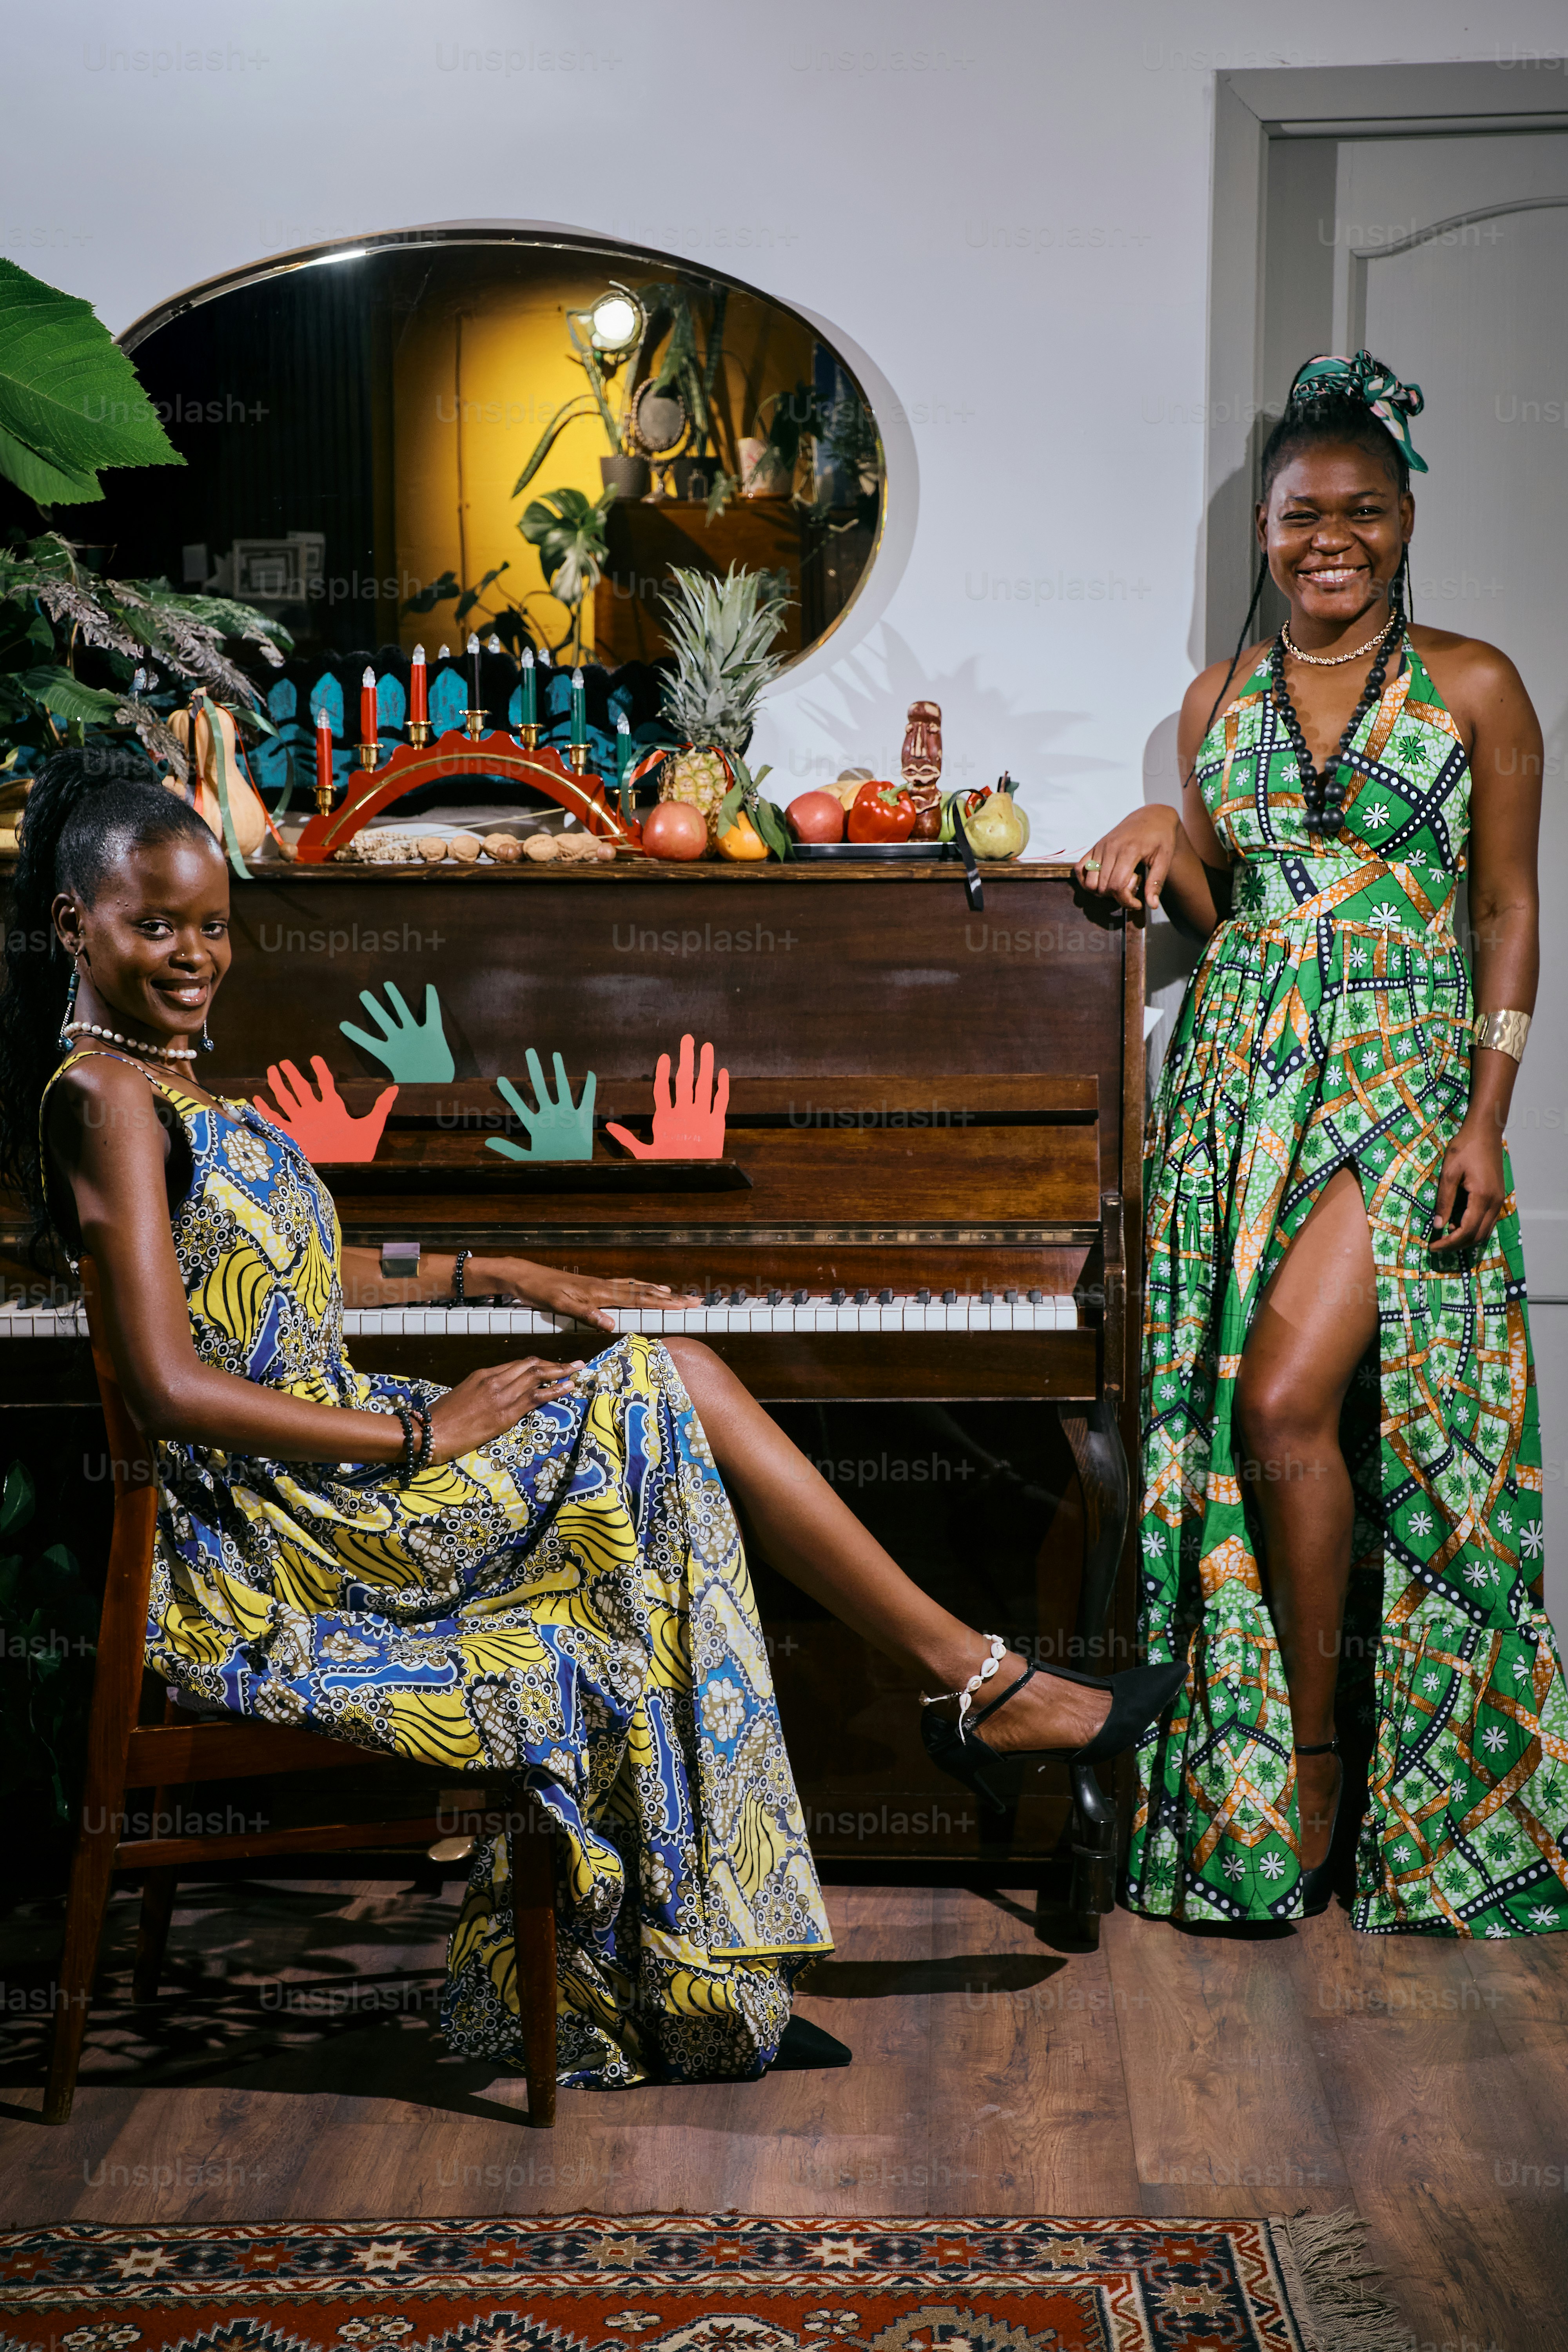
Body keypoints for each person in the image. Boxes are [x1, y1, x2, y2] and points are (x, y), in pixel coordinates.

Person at [0, 749, 1183, 2089]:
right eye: (156, 926)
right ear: (74, 927)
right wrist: (426, 1437)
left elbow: (320, 1271)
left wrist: (503, 1270)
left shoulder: (162, 1087)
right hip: (290, 1537)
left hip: (342, 1482)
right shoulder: (105, 1099)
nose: (195, 955)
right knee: (667, 1399)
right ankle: (943, 1716)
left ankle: (705, 1953)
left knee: (653, 1429)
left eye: (214, 925)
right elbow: (167, 1384)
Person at [1075, 352, 1568, 1933]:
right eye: (1301, 514)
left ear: (1404, 520)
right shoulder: (1214, 703)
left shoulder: (1477, 685)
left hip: (1406, 1082)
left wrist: (1489, 1114)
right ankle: (1264, 1758)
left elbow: (1505, 908)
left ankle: (1319, 1753)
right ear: (1266, 530)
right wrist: (1166, 829)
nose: (1328, 538)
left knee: (1290, 1405)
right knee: (1238, 1424)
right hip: (1237, 1087)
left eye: (1360, 511)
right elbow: (1229, 908)